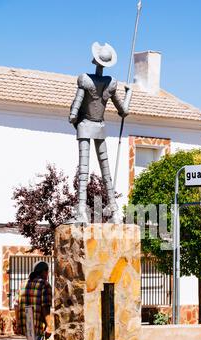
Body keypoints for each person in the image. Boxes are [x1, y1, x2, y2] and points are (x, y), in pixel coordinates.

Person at [69, 42, 132, 224]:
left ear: (94, 60)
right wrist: (128, 93)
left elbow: (73, 113)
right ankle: (115, 211)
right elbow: (124, 111)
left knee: (83, 170)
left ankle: (81, 211)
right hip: (100, 127)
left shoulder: (85, 80)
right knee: (106, 171)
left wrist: (76, 120)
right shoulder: (111, 84)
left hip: (85, 126)